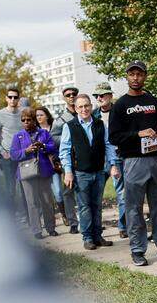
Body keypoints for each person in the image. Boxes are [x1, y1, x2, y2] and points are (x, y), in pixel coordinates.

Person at [108, 60, 157, 266]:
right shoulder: (120, 105)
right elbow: (114, 136)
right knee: (134, 207)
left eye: (139, 74)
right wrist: (137, 134)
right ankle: (138, 249)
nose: (135, 78)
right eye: (132, 74)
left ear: (145, 76)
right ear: (127, 77)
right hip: (134, 161)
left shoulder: (152, 101)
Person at [60, 94, 120, 249]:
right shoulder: (70, 126)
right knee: (84, 206)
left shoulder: (100, 124)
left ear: (91, 106)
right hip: (81, 173)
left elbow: (108, 145)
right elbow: (64, 151)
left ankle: (97, 235)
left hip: (99, 171)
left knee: (97, 205)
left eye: (86, 105)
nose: (84, 109)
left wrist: (113, 165)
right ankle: (87, 238)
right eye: (80, 106)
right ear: (75, 108)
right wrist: (68, 172)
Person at [10, 108, 59, 238]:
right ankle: (36, 230)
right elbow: (13, 155)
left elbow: (53, 147)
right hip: (27, 173)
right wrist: (26, 151)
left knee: (47, 201)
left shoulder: (43, 133)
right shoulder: (18, 136)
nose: (26, 122)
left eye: (28, 120)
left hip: (44, 171)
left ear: (34, 120)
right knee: (32, 203)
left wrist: (42, 146)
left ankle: (51, 228)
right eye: (23, 120)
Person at [0, 87, 29, 219]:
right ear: (6, 98)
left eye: (15, 97)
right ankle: (12, 220)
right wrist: (2, 151)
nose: (13, 99)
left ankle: (30, 219)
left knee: (26, 188)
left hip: (24, 156)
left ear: (19, 99)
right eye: (10, 97)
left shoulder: (24, 113)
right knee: (10, 190)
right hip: (8, 157)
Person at [93, 83, 127, 238]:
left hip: (119, 157)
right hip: (100, 160)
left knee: (122, 193)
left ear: (110, 95)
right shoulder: (93, 115)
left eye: (102, 95)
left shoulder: (119, 111)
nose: (99, 98)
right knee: (96, 195)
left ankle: (123, 226)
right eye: (97, 96)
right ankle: (96, 230)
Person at [37, 106, 78, 232]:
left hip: (62, 160)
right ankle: (65, 215)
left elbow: (58, 142)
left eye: (41, 115)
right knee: (58, 192)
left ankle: (72, 218)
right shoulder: (37, 131)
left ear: (47, 116)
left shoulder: (55, 126)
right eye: (37, 115)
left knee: (69, 188)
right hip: (50, 164)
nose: (39, 117)